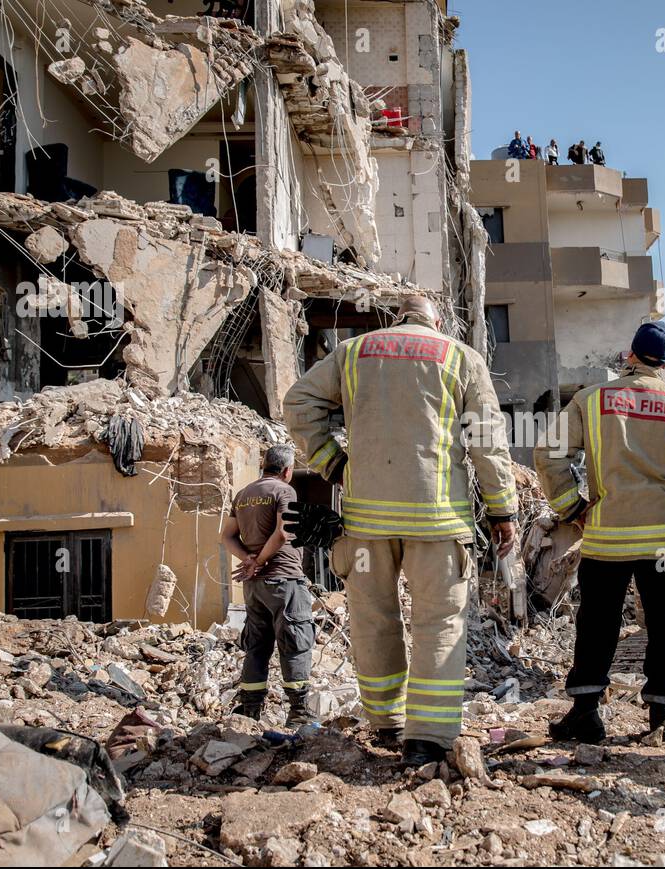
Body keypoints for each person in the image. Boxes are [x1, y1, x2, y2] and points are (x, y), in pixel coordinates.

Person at [284, 295, 518, 766]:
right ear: (437, 321)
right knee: (439, 625)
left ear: (397, 320)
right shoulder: (460, 357)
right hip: (437, 522)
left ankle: (386, 721)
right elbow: (487, 442)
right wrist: (502, 510)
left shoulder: (355, 352)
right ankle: (427, 738)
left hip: (366, 524)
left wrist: (333, 463)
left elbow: (298, 402)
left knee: (374, 619)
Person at [534, 321, 665, 743]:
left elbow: (548, 453)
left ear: (630, 356)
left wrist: (571, 507)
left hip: (607, 539)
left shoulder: (590, 400)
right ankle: (664, 717)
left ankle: (586, 713)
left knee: (597, 622)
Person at [220, 444, 316, 727]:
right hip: (284, 580)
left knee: (257, 646)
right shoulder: (284, 491)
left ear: (264, 466)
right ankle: (299, 712)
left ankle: (250, 710)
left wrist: (248, 561)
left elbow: (226, 537)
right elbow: (284, 532)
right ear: (287, 471)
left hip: (254, 587)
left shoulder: (244, 494)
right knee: (295, 641)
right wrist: (259, 560)